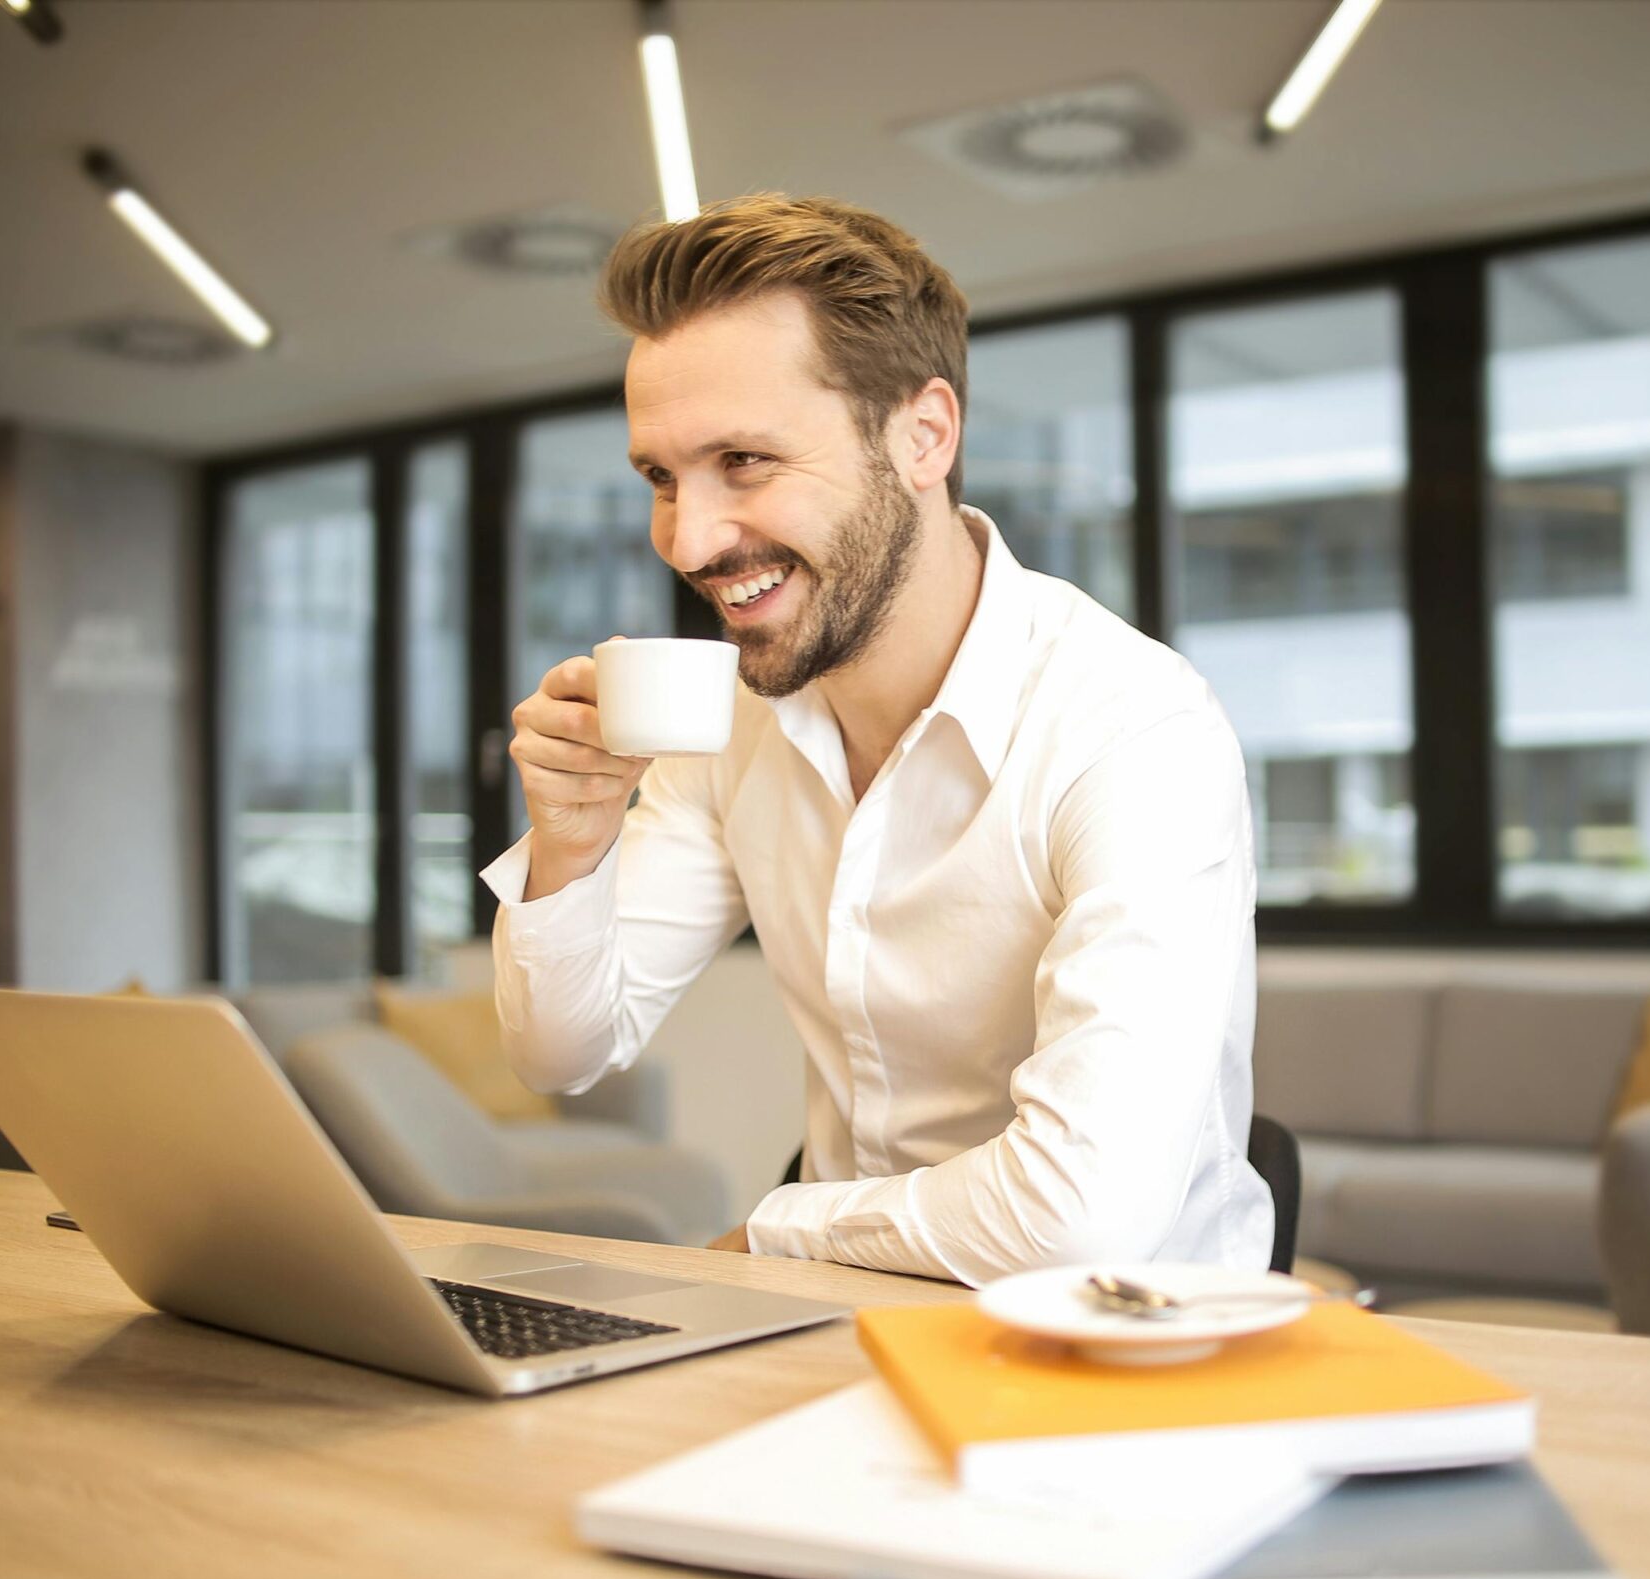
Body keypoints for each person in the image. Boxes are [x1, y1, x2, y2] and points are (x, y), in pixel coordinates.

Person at [484, 193, 1270, 1285]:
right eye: (661, 478)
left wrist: (776, 1227)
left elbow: (1081, 1216)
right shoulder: (736, 727)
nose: (689, 538)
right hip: (842, 1325)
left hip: (1120, 1347)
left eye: (744, 461)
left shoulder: (1134, 726)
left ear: (923, 434)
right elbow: (561, 1050)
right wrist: (570, 844)